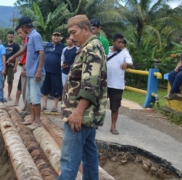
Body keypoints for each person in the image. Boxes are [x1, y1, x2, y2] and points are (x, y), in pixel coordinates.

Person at [58, 14, 107, 180]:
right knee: (89, 157)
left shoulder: (91, 48)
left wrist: (78, 113)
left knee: (69, 160)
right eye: (69, 34)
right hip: (86, 116)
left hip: (79, 115)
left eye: (74, 33)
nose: (71, 38)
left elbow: (90, 85)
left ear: (86, 29)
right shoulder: (91, 46)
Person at [17, 16, 45, 130]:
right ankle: (32, 119)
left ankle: (37, 121)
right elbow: (24, 50)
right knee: (29, 98)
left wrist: (39, 70)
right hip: (30, 73)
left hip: (36, 73)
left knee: (35, 98)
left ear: (24, 26)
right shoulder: (29, 37)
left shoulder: (36, 35)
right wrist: (13, 57)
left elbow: (41, 53)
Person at [107, 34, 133, 135]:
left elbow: (130, 63)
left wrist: (126, 64)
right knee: (98, 104)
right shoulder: (106, 50)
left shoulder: (125, 52)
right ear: (113, 41)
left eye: (122, 42)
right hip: (104, 82)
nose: (121, 44)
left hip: (117, 84)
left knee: (115, 107)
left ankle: (113, 126)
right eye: (119, 42)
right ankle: (95, 123)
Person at [9, 25, 31, 117]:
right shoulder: (25, 41)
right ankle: (26, 108)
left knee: (26, 89)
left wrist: (13, 57)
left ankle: (28, 111)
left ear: (25, 29)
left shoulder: (29, 40)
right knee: (24, 88)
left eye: (20, 32)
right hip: (24, 66)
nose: (19, 35)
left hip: (27, 67)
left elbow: (31, 55)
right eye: (18, 33)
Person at [41, 32, 65, 112]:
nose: (56, 37)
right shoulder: (47, 45)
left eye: (58, 36)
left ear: (60, 38)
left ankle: (55, 106)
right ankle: (44, 105)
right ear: (52, 37)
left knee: (56, 89)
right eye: (55, 35)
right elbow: (43, 55)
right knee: (45, 88)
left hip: (56, 71)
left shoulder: (63, 47)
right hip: (46, 70)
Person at [4, 31, 20, 101]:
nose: (10, 38)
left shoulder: (16, 46)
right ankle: (1, 95)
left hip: (11, 66)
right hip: (4, 66)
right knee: (2, 80)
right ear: (7, 37)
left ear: (14, 37)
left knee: (10, 81)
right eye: (9, 37)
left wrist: (15, 66)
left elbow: (17, 57)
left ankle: (9, 95)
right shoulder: (4, 45)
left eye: (11, 37)